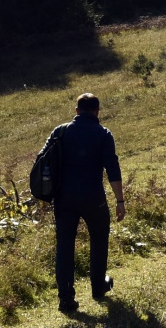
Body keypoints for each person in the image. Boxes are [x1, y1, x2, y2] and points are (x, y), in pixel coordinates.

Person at [37, 93, 126, 313]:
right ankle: (98, 287)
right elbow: (112, 168)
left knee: (64, 245)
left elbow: (41, 160)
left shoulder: (60, 131)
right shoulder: (103, 134)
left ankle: (66, 298)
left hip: (63, 197)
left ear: (76, 111)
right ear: (97, 111)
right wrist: (120, 200)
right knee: (99, 238)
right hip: (93, 196)